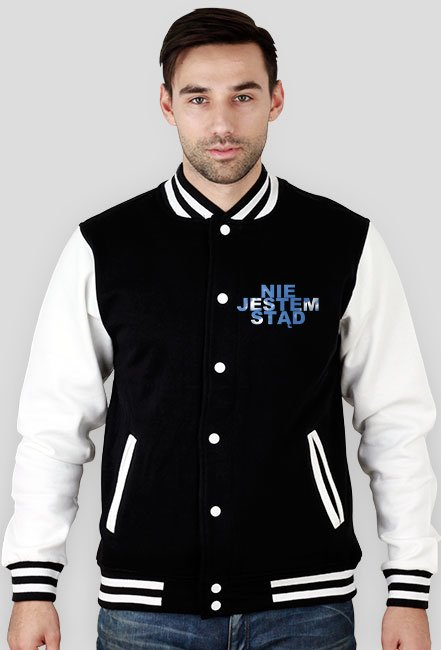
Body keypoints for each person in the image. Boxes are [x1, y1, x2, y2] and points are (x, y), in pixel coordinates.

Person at [2, 7, 439, 650]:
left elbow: (395, 422)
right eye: (198, 98)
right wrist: (33, 586)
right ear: (167, 105)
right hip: (146, 611)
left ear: (276, 100)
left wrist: (409, 590)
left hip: (306, 609)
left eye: (244, 96)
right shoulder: (106, 247)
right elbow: (53, 425)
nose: (222, 124)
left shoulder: (342, 243)